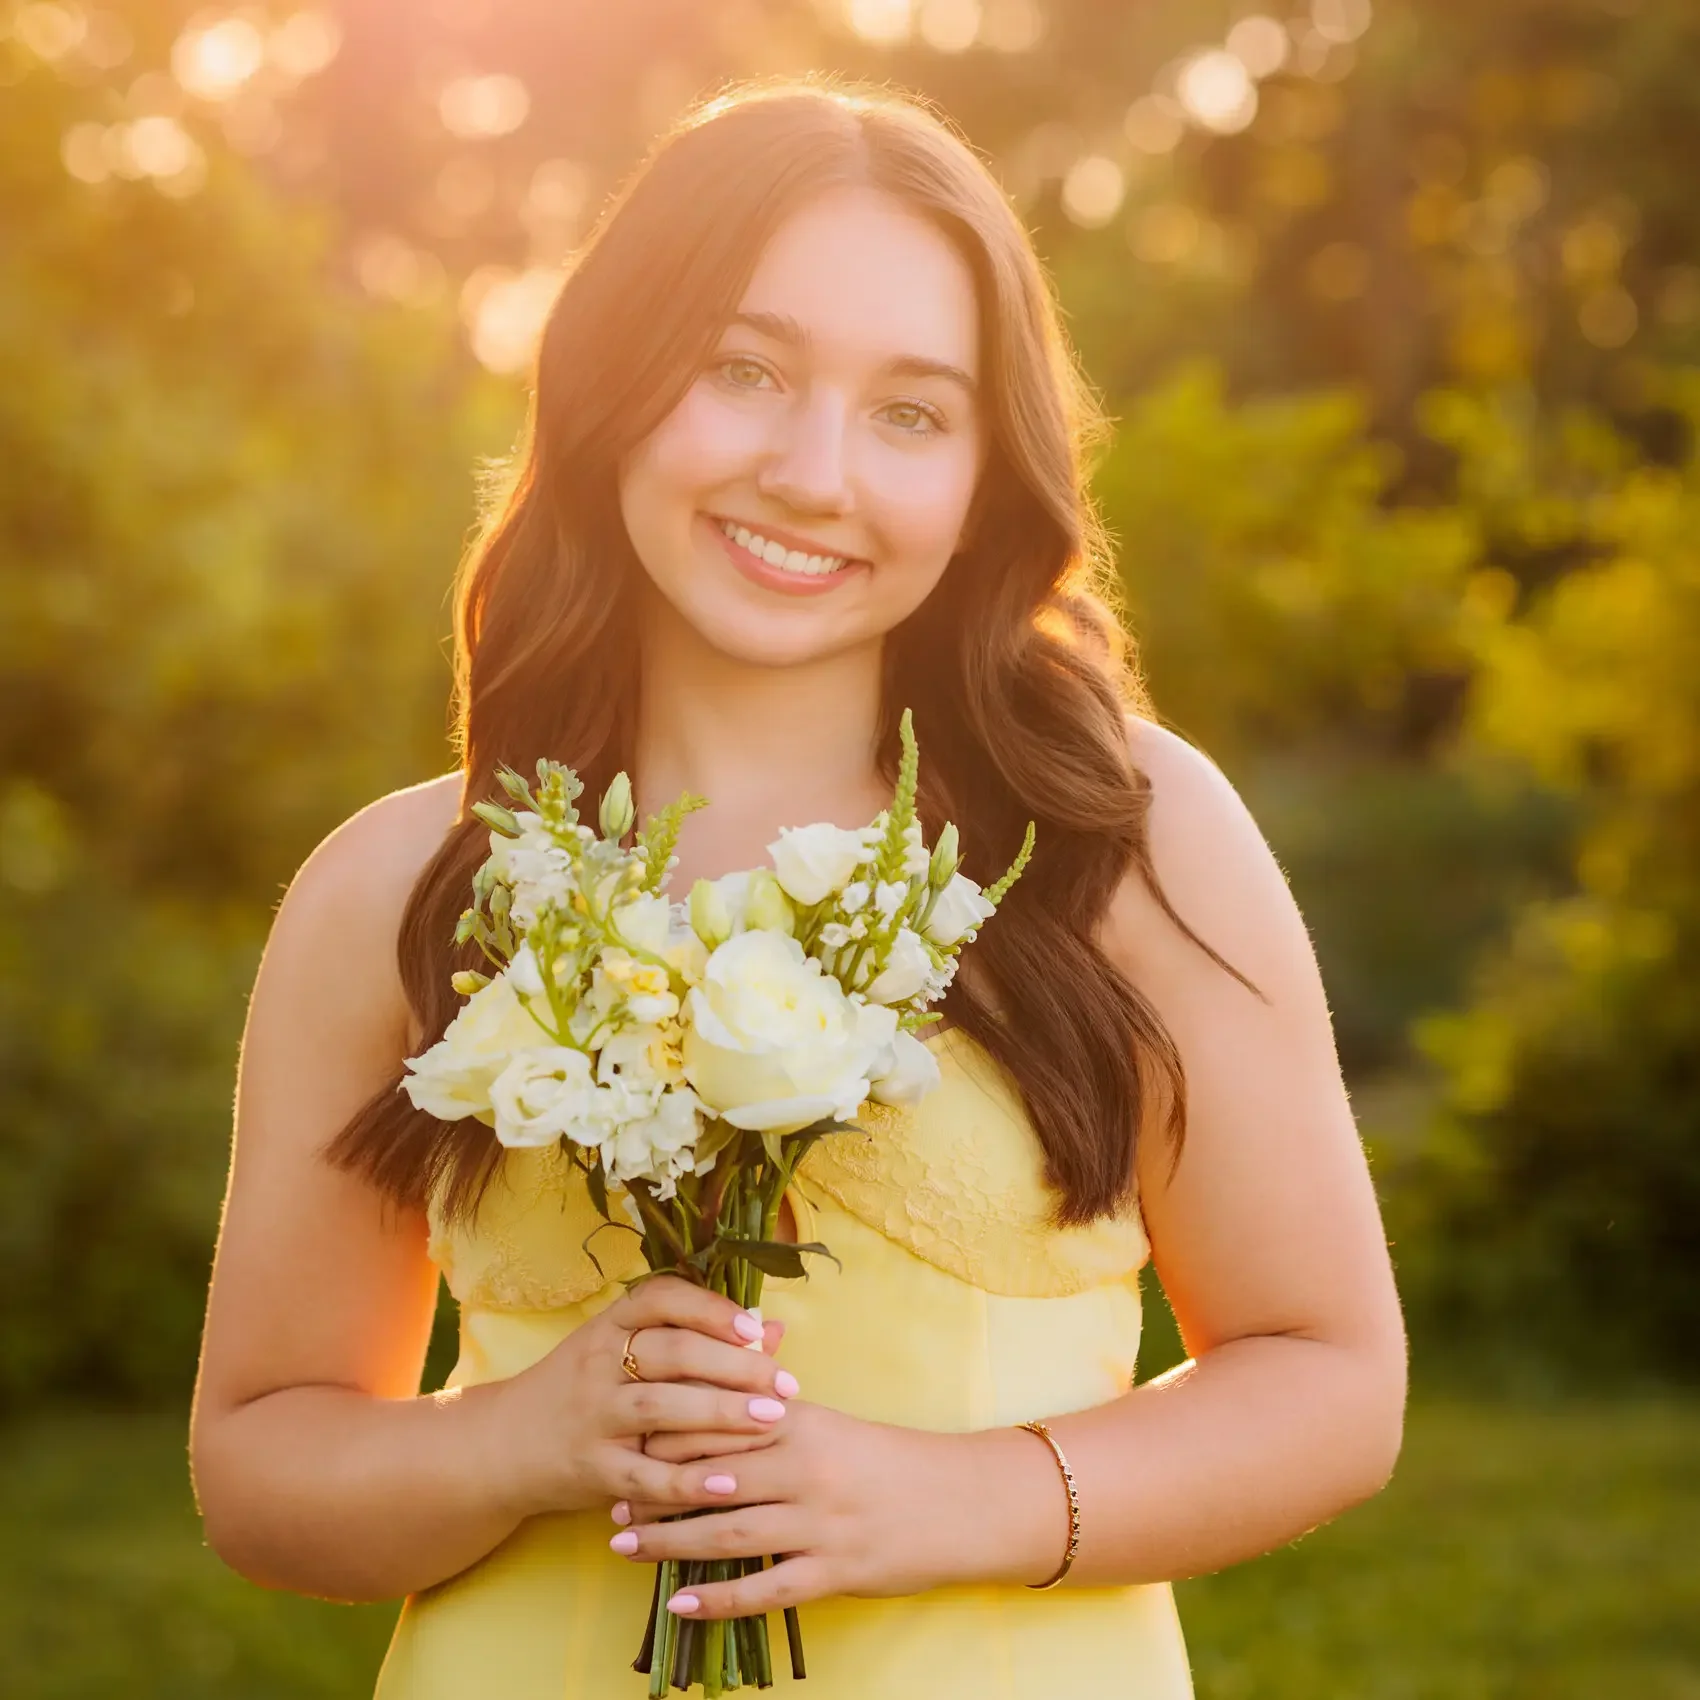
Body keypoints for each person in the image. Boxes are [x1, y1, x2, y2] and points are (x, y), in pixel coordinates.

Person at [190, 80, 1407, 1698]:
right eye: (745, 371)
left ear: (988, 469)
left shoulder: (1124, 835)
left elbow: (1331, 1380)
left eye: (911, 412)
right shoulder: (401, 886)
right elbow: (261, 1474)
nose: (814, 472)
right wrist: (516, 1444)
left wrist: (953, 1499)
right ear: (619, 382)